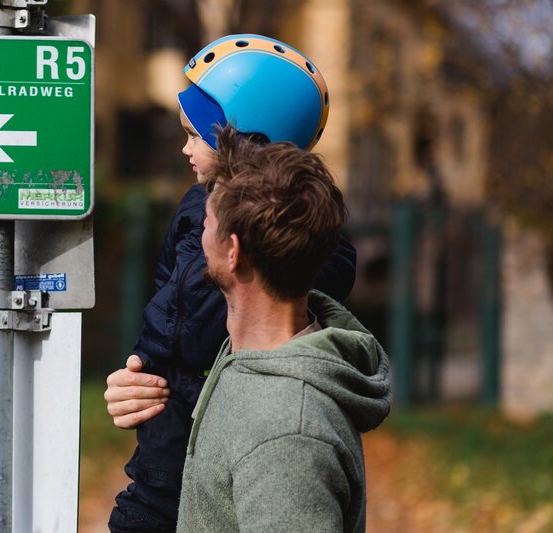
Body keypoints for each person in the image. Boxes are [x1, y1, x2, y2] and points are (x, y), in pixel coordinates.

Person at [105, 34, 358, 532]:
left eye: (194, 134)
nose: (183, 148)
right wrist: (140, 375)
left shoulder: (287, 432)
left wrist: (149, 365)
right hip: (170, 448)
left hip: (167, 476)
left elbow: (180, 320)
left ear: (235, 248)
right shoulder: (204, 212)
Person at [176, 130, 391, 532]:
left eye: (205, 222)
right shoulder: (249, 362)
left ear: (233, 250)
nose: (198, 230)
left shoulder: (290, 433)